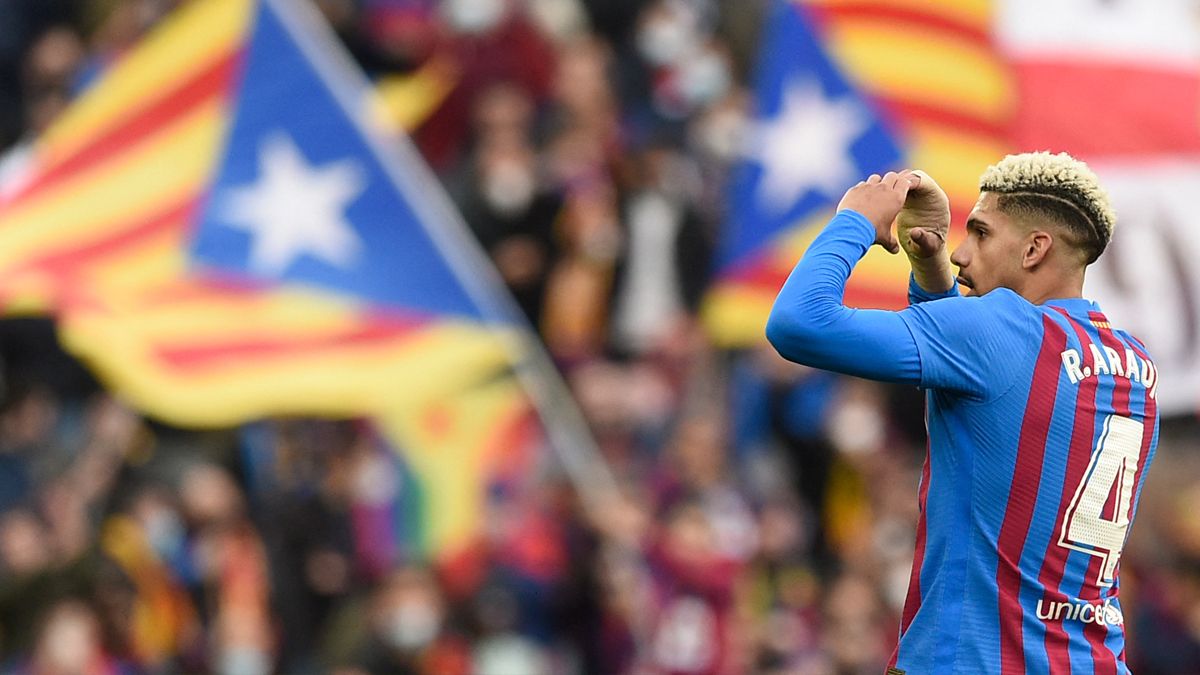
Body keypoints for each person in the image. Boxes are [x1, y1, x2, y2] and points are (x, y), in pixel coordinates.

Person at [765, 152, 1160, 674]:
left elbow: (798, 323)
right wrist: (928, 275)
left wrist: (855, 218)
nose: (959, 253)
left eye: (980, 233)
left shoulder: (1004, 331)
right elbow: (980, 403)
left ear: (1035, 249)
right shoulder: (1137, 367)